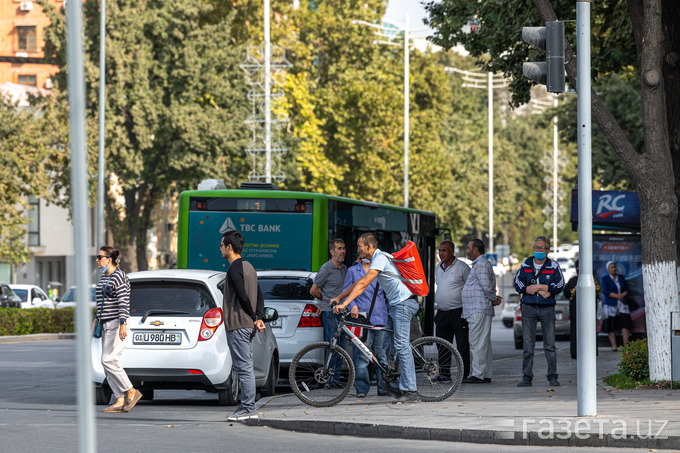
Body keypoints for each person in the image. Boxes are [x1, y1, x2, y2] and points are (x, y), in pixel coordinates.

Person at [333, 233, 420, 404]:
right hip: (396, 306)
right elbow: (356, 283)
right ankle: (394, 384)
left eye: (359, 245)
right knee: (390, 349)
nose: (357, 249)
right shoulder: (375, 260)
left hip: (403, 304)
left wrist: (345, 304)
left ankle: (411, 390)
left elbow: (364, 283)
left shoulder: (379, 258)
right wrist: (340, 297)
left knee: (401, 345)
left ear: (369, 247)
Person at [220, 230, 265, 421]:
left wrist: (254, 316)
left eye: (221, 245)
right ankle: (248, 407)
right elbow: (260, 295)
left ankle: (248, 408)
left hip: (239, 324)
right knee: (246, 366)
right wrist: (259, 317)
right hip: (248, 325)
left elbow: (242, 295)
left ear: (229, 247)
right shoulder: (250, 267)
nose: (220, 248)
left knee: (243, 367)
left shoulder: (233, 269)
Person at [95, 246, 142, 413]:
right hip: (105, 323)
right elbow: (101, 301)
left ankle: (131, 391)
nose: (97, 260)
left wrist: (123, 324)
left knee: (109, 359)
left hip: (117, 322)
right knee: (107, 362)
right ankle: (120, 399)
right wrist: (97, 318)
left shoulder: (120, 276)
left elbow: (123, 302)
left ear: (109, 259)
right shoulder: (103, 278)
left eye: (100, 257)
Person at [514, 236, 564, 387]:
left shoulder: (553, 265)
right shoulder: (526, 263)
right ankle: (526, 377)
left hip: (547, 308)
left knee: (550, 345)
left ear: (547, 251)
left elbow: (560, 284)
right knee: (528, 345)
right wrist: (527, 289)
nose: (538, 250)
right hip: (528, 307)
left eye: (541, 248)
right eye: (536, 248)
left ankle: (552, 376)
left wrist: (542, 287)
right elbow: (517, 282)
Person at [341, 258, 389, 398]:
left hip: (380, 317)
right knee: (362, 357)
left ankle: (383, 388)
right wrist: (352, 305)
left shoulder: (379, 269)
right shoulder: (352, 271)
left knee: (381, 356)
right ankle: (361, 389)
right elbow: (346, 290)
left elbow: (386, 293)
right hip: (362, 319)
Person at [461, 239, 501, 384]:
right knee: (483, 343)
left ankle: (478, 374)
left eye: (468, 248)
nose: (467, 250)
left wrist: (493, 299)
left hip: (478, 309)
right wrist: (493, 298)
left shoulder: (482, 265)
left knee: (477, 343)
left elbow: (486, 286)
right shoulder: (480, 265)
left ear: (476, 250)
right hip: (477, 309)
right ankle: (485, 374)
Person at [434, 239, 471, 379]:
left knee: (462, 345)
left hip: (458, 312)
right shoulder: (438, 267)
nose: (441, 253)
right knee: (442, 345)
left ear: (452, 251)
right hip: (442, 312)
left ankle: (464, 374)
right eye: (439, 250)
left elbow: (471, 287)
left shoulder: (462, 267)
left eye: (444, 250)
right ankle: (444, 373)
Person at [310, 239, 347, 344]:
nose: (342, 251)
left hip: (342, 312)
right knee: (331, 346)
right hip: (330, 313)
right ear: (332, 252)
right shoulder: (326, 268)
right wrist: (327, 300)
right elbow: (313, 290)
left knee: (342, 347)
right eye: (339, 248)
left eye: (344, 248)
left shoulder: (344, 269)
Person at [563, 260, 601, 359]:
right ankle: (575, 352)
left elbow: (598, 293)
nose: (579, 272)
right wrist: (574, 290)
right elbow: (566, 293)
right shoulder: (573, 280)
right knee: (575, 330)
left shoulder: (592, 280)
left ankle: (591, 352)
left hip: (589, 310)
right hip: (575, 310)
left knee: (590, 330)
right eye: (578, 270)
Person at [601, 261, 632, 351]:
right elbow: (605, 291)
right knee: (611, 325)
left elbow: (627, 289)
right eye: (611, 267)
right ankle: (613, 345)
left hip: (622, 303)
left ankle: (625, 345)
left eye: (614, 267)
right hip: (611, 304)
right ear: (608, 269)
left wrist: (622, 295)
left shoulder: (621, 278)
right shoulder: (605, 278)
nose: (613, 269)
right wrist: (617, 296)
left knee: (625, 324)